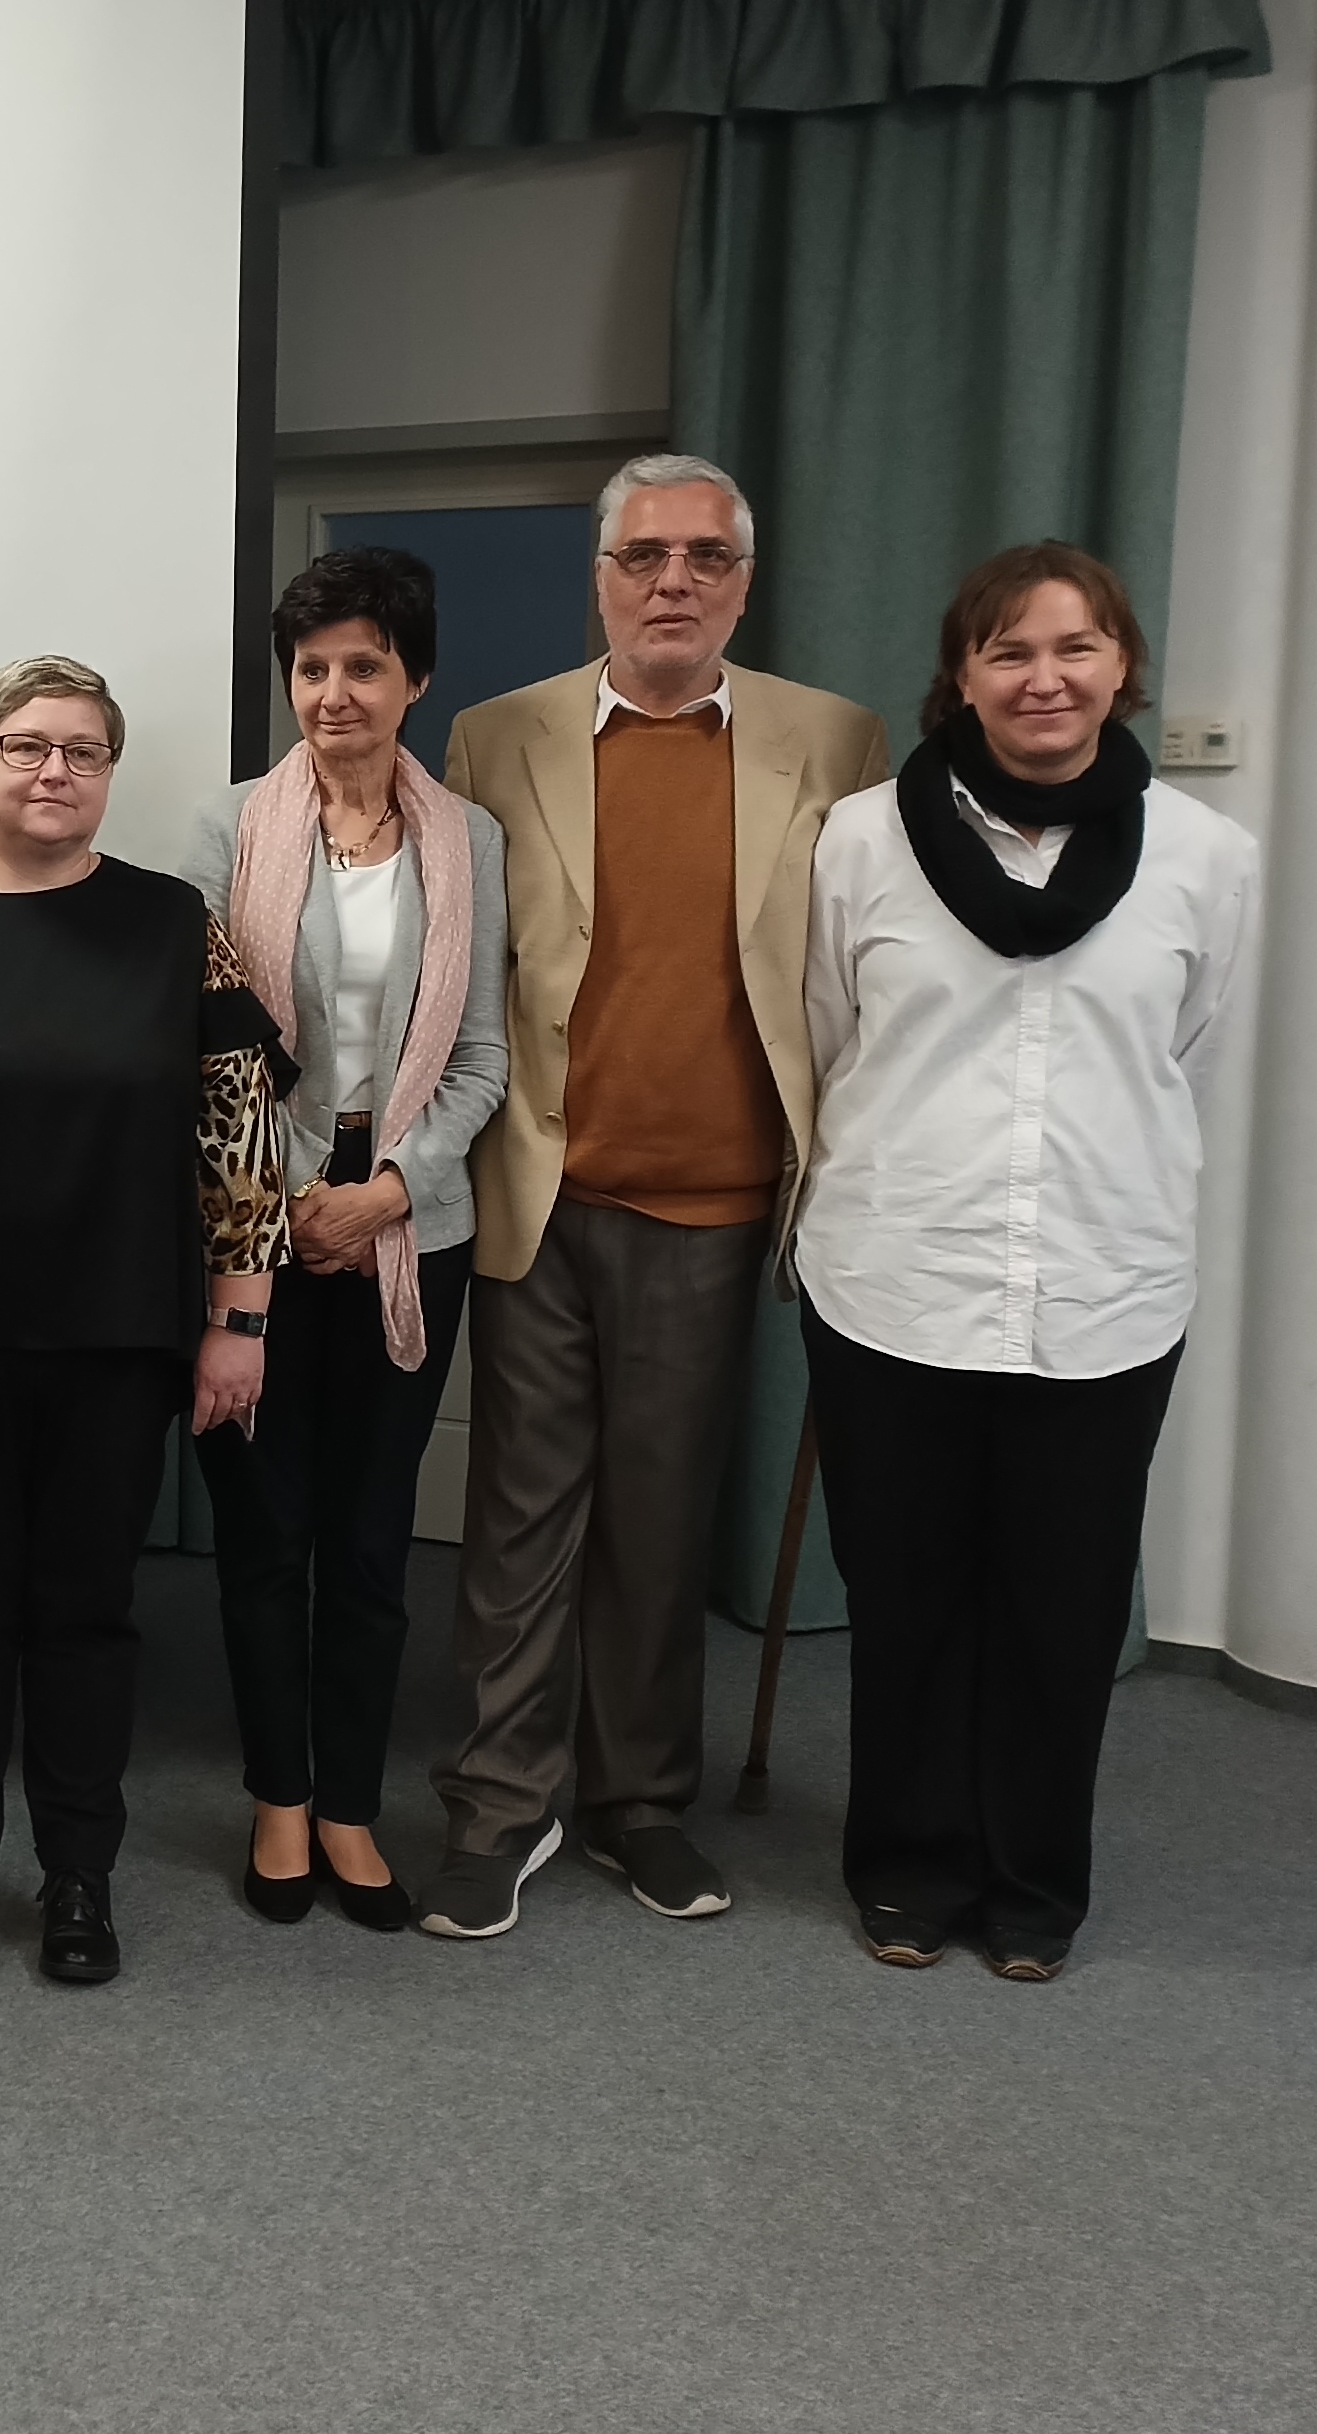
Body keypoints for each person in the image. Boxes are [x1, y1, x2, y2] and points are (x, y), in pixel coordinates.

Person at [426, 453, 891, 1941]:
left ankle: (639, 1802)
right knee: (520, 1522)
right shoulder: (497, 736)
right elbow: (456, 967)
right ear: (602, 579)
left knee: (660, 1519)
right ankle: (498, 1808)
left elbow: (866, 967)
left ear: (743, 584)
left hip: (717, 1201)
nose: (672, 581)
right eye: (643, 556)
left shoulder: (833, 740)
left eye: (704, 557)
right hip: (541, 1192)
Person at [794, 543, 1254, 1982]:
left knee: (1062, 1610)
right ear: (963, 675)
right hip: (893, 1275)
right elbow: (829, 1036)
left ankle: (1034, 1882)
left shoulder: (1204, 857)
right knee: (908, 1598)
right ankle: (907, 1865)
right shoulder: (860, 840)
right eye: (1008, 651)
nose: (1042, 678)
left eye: (1074, 647)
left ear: (1122, 667)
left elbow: (1185, 1050)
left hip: (1105, 1286)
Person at [0, 658, 283, 1990]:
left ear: (108, 773)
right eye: (26, 746)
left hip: (120, 1332)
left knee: (88, 1610)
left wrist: (241, 1315)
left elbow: (240, 1122)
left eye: (82, 751)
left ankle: (80, 1874)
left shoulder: (174, 923)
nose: (53, 770)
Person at [169, 551, 510, 1935]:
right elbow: (201, 1042)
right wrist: (296, 1193)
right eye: (311, 668)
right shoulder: (225, 828)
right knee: (265, 1533)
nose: (333, 693)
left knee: (372, 1540)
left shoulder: (470, 840)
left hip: (408, 1233)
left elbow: (481, 1060)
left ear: (414, 679)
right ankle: (279, 1798)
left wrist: (389, 1193)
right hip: (253, 1227)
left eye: (364, 665)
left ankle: (353, 1807)